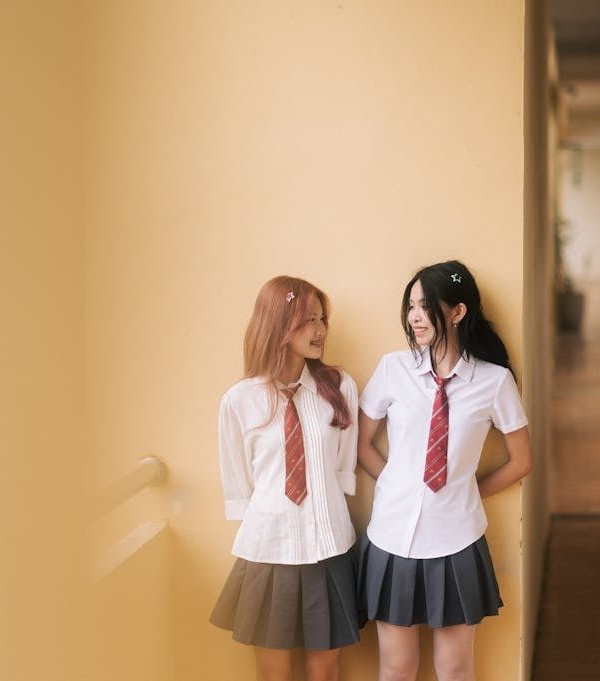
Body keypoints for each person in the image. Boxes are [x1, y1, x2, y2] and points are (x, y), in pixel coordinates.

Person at [357, 260, 533, 681]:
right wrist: (397, 484)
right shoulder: (392, 369)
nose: (415, 316)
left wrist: (466, 491)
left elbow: (521, 461)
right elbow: (360, 445)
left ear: (457, 312)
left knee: (455, 671)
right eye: (411, 306)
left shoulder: (494, 382)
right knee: (396, 669)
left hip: (456, 542)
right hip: (391, 538)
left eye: (426, 306)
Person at [210, 275, 361, 681]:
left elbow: (343, 467)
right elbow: (239, 485)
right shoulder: (239, 401)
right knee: (273, 671)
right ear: (277, 324)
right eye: (307, 320)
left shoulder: (340, 387)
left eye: (321, 319)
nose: (320, 330)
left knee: (325, 667)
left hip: (327, 547)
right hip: (268, 552)